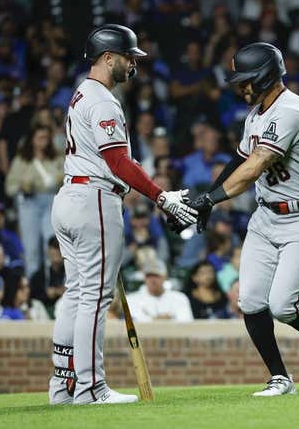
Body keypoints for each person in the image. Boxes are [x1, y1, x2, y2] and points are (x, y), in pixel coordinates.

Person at [48, 25, 197, 406]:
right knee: (95, 298)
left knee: (78, 294)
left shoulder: (82, 92)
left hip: (71, 195)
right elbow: (117, 161)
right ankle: (90, 388)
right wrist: (161, 197)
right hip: (93, 199)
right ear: (108, 58)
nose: (133, 63)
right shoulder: (101, 99)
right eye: (129, 57)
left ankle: (63, 388)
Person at [185, 43, 299, 396]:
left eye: (246, 81)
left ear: (265, 77)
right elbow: (240, 159)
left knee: (284, 305)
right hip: (267, 216)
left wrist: (211, 198)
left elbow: (254, 167)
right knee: (251, 301)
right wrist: (207, 199)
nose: (241, 88)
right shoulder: (256, 114)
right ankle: (280, 378)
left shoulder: (290, 110)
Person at [5, 124, 64, 276]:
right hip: (29, 203)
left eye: (46, 138)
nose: (43, 141)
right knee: (31, 249)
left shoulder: (56, 157)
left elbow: (70, 179)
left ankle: (52, 283)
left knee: (50, 246)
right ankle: (33, 289)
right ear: (32, 140)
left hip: (52, 201)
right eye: (40, 138)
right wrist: (21, 185)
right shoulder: (22, 160)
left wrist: (60, 178)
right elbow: (9, 187)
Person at [126, 258, 193, 322]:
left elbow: (186, 322)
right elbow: (134, 324)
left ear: (165, 277)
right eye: (149, 275)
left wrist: (154, 319)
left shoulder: (180, 298)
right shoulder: (131, 299)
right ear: (144, 278)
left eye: (156, 275)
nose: (153, 280)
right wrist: (164, 319)